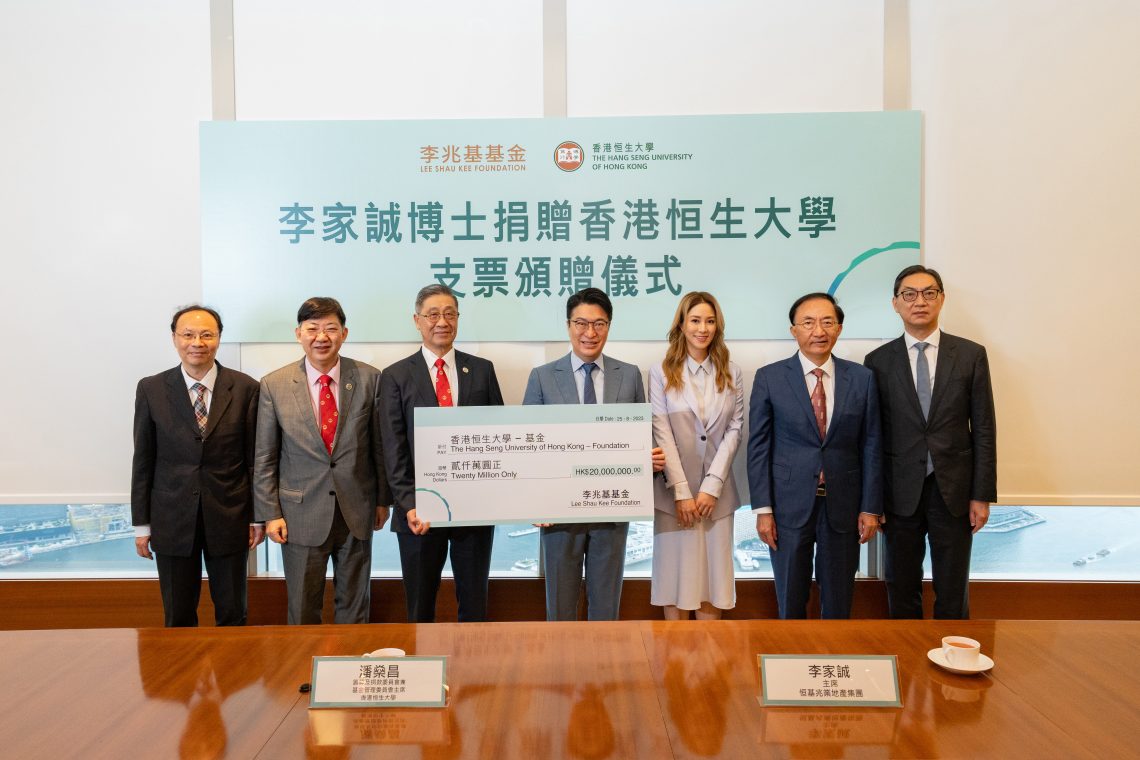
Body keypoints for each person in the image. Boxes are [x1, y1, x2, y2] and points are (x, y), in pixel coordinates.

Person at [523, 287, 664, 621]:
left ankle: (603, 672)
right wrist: (534, 500)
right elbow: (529, 448)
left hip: (612, 509)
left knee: (606, 608)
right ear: (569, 325)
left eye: (599, 324)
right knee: (560, 608)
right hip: (558, 513)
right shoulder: (542, 377)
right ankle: (563, 672)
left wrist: (648, 461)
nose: (590, 333)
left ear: (609, 326)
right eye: (581, 323)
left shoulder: (628, 375)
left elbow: (639, 438)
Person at [864, 265, 996, 619]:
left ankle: (953, 660)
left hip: (952, 490)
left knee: (953, 588)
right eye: (909, 294)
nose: (919, 301)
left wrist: (981, 494)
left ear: (941, 299)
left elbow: (983, 428)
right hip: (899, 492)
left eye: (928, 293)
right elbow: (873, 438)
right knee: (901, 584)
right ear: (895, 303)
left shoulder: (970, 355)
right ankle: (907, 666)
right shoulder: (877, 362)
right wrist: (873, 501)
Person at [254, 297, 390, 624]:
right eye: (312, 329)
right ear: (298, 333)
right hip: (299, 513)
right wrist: (270, 514)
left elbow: (379, 448)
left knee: (355, 607)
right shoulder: (275, 385)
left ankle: (353, 672)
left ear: (344, 333)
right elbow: (265, 456)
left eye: (330, 328)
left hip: (356, 510)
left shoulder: (370, 379)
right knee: (302, 609)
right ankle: (304, 674)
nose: (321, 337)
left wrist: (383, 500)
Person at [747, 292, 883, 619]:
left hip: (844, 506)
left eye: (827, 322)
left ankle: (832, 660)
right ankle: (789, 663)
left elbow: (872, 444)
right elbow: (758, 447)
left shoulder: (862, 379)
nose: (818, 331)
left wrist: (870, 508)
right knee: (790, 597)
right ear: (794, 330)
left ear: (839, 328)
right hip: (787, 506)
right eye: (808, 322)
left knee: (838, 600)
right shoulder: (770, 378)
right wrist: (763, 510)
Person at [131, 305, 263, 627]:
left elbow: (254, 460)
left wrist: (256, 517)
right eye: (188, 334)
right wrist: (142, 525)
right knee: (177, 615)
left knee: (233, 612)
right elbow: (143, 460)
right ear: (174, 338)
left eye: (207, 334)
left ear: (219, 338)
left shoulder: (246, 388)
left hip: (230, 517)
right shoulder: (151, 389)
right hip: (171, 519)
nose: (197, 342)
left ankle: (232, 677)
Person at [380, 284, 504, 623]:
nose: (442, 321)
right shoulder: (395, 376)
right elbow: (394, 447)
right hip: (420, 513)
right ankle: (424, 674)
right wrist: (409, 504)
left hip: (473, 511)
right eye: (433, 314)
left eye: (450, 314)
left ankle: (473, 675)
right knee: (420, 608)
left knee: (474, 604)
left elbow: (499, 437)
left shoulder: (481, 370)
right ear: (417, 320)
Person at [649, 292, 744, 620]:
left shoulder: (732, 371)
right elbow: (662, 433)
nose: (702, 328)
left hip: (717, 499)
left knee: (712, 585)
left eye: (709, 320)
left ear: (718, 326)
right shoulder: (661, 371)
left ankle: (708, 668)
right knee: (674, 584)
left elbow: (735, 429)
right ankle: (673, 666)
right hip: (673, 499)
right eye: (695, 320)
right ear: (681, 324)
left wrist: (711, 487)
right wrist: (682, 492)